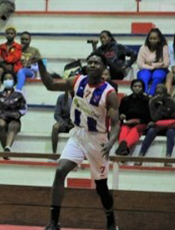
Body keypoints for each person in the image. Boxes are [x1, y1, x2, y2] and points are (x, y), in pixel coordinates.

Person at [37, 52, 120, 230]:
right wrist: (40, 64)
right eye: (89, 62)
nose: (92, 65)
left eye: (96, 63)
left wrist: (111, 142)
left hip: (98, 139)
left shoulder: (109, 93)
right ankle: (54, 222)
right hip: (78, 134)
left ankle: (111, 222)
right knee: (60, 171)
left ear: (104, 68)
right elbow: (50, 84)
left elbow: (116, 123)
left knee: (101, 187)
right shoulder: (77, 81)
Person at [0, 71, 27, 157]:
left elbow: (24, 108)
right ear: (2, 81)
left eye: (10, 78)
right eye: (5, 79)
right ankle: (6, 150)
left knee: (12, 126)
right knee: (0, 124)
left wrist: (19, 113)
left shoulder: (19, 94)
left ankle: (7, 148)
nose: (7, 80)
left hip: (14, 118)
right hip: (2, 117)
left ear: (14, 81)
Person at [136, 84, 175, 166]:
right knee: (151, 131)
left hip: (169, 126)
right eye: (157, 93)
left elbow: (172, 118)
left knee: (171, 132)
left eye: (161, 94)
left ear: (165, 94)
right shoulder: (152, 102)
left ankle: (168, 158)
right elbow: (154, 118)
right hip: (157, 126)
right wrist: (155, 105)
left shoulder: (171, 102)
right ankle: (141, 156)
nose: (158, 96)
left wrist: (162, 108)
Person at [115, 79, 150, 156]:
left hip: (141, 123)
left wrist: (136, 121)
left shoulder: (147, 100)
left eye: (139, 86)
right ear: (131, 87)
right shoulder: (125, 99)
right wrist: (122, 115)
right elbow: (120, 112)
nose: (137, 88)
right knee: (124, 129)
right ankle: (124, 149)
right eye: (135, 86)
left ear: (143, 88)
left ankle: (123, 147)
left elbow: (148, 117)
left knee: (135, 130)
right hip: (127, 122)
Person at [136, 28, 169, 96]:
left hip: (160, 69)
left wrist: (152, 64)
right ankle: (144, 93)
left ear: (159, 39)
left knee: (157, 75)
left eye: (155, 39)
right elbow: (140, 64)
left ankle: (152, 93)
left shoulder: (164, 48)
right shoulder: (143, 48)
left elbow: (166, 64)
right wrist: (155, 66)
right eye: (151, 38)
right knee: (144, 76)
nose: (152, 41)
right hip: (146, 69)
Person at [51, 90, 74, 154]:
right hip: (63, 122)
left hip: (74, 124)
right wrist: (63, 123)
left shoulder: (78, 98)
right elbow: (56, 115)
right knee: (55, 127)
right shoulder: (61, 98)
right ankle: (54, 153)